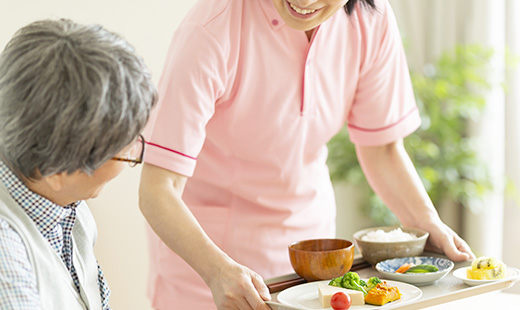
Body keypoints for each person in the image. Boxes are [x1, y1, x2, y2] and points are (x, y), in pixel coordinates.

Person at [139, 0, 475, 309]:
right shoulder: (212, 29)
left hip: (314, 264)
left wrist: (426, 223)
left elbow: (383, 147)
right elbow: (158, 190)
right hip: (209, 267)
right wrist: (216, 270)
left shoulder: (369, 19)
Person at [0, 19, 157, 309]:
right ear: (56, 169)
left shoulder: (62, 202)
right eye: (124, 152)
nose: (135, 152)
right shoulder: (6, 262)